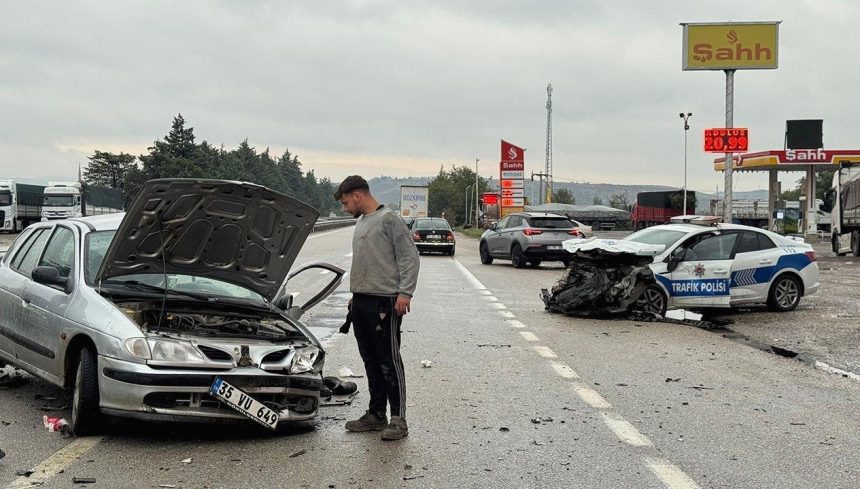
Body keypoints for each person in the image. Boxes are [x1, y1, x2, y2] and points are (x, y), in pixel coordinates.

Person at [334, 175, 420, 441]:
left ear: (358, 195)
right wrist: (355, 296)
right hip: (361, 301)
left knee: (389, 361)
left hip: (385, 302)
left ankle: (398, 419)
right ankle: (375, 414)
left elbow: (410, 257)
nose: (345, 208)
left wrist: (405, 293)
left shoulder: (389, 219)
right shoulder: (362, 222)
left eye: (346, 202)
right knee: (370, 360)